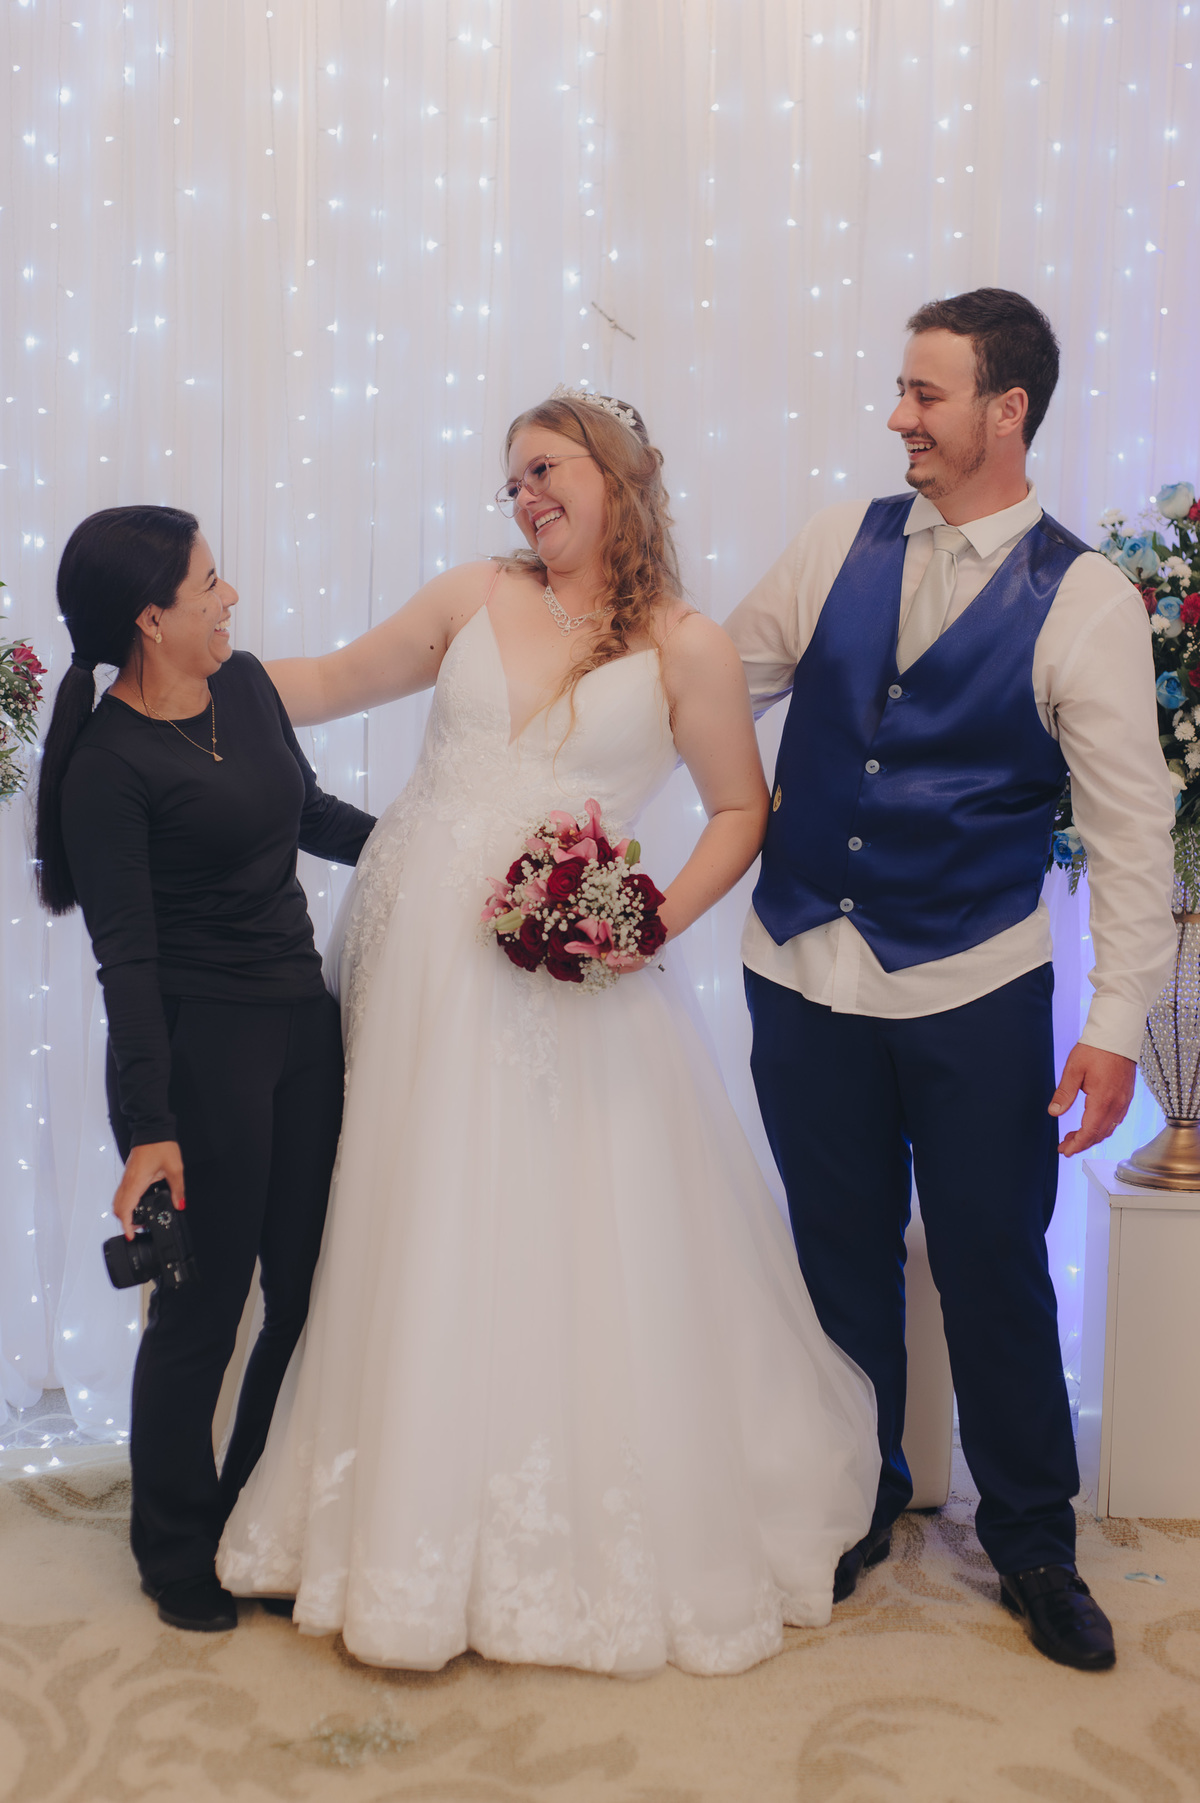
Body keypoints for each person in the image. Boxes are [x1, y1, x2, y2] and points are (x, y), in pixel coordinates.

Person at [217, 388, 880, 1675]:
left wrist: (646, 920)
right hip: (414, 957)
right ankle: (385, 1503)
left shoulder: (688, 645)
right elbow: (332, 681)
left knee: (556, 1225)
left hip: (564, 979)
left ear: (615, 474)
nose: (524, 496)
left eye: (544, 469)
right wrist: (185, 683)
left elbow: (741, 810)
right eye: (512, 478)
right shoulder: (472, 594)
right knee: (406, 1205)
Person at [724, 290, 1177, 1672]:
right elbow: (714, 687)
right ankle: (852, 1497)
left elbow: (1131, 836)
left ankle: (1033, 1537)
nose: (898, 417)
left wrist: (1114, 1027)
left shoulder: (1085, 599)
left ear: (1007, 409)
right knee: (834, 1252)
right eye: (902, 390)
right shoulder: (835, 543)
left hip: (972, 986)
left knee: (992, 1264)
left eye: (926, 394)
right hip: (799, 966)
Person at [36, 506, 376, 1633]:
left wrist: (430, 845)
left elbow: (309, 812)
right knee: (201, 1313)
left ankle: (252, 1514)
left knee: (307, 1292)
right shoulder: (106, 766)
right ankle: (173, 1544)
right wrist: (151, 1126)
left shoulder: (247, 687)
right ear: (151, 617)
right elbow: (126, 962)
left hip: (302, 1027)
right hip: (199, 1053)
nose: (231, 596)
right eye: (210, 581)